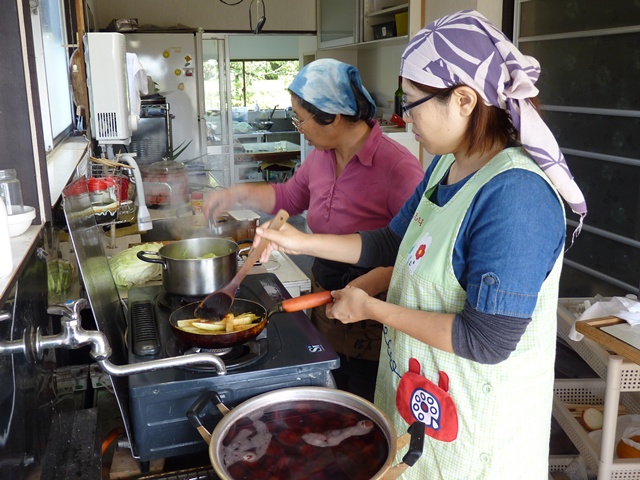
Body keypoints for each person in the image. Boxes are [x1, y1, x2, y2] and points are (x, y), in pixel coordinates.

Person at [252, 10, 587, 479]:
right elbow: (393, 242)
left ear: (465, 99)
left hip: (476, 434)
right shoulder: (445, 166)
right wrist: (301, 240)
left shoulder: (517, 194)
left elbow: (486, 340)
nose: (405, 118)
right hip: (418, 405)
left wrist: (372, 308)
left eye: (411, 103)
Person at [203, 58, 424, 402]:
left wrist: (361, 291)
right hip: (323, 291)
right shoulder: (322, 155)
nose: (299, 127)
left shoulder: (397, 166)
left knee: (365, 395)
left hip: (373, 300)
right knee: (330, 381)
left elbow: (412, 251)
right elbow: (288, 197)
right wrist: (235, 193)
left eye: (301, 118)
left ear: (332, 116)